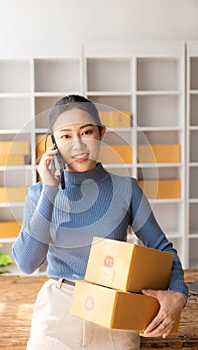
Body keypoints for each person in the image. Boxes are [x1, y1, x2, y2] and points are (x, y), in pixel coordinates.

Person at [12, 94, 188, 350]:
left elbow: (163, 249)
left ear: (101, 133)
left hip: (114, 312)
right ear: (53, 143)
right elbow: (27, 263)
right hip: (58, 311)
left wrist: (179, 294)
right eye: (66, 136)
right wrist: (50, 189)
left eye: (86, 132)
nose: (78, 145)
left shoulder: (126, 189)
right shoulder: (39, 194)